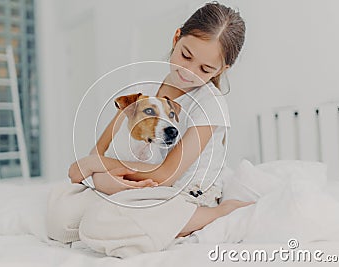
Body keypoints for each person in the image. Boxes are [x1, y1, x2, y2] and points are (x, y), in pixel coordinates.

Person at [48, 1, 254, 257]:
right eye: (186, 56)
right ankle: (133, 210)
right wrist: (103, 176)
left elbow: (166, 175)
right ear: (176, 38)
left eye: (205, 69)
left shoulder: (210, 103)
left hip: (182, 191)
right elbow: (101, 149)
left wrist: (94, 166)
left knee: (101, 223)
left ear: (223, 69)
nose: (187, 72)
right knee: (62, 215)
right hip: (140, 181)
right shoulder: (146, 87)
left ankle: (217, 213)